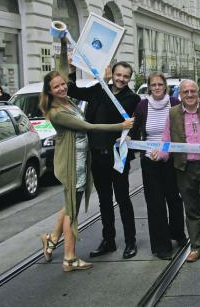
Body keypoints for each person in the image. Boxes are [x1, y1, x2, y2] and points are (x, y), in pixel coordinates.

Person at [38, 71, 133, 272]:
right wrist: (121, 125)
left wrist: (102, 78)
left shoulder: (68, 103)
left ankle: (53, 238)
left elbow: (95, 94)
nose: (62, 88)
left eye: (63, 84)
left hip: (82, 160)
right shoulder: (56, 111)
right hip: (72, 163)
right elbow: (88, 126)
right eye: (57, 86)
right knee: (72, 210)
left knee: (69, 205)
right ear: (49, 91)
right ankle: (69, 258)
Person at [67, 61, 141, 259]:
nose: (121, 79)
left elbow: (132, 122)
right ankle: (108, 240)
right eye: (118, 75)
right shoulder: (100, 89)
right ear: (112, 73)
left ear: (129, 78)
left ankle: (130, 241)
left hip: (118, 156)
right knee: (105, 201)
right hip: (97, 155)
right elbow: (72, 91)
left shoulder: (132, 98)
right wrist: (72, 70)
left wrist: (132, 134)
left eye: (126, 76)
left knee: (123, 199)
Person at [154, 79, 200, 263]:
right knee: (191, 210)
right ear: (180, 95)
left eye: (192, 91)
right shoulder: (172, 114)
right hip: (184, 168)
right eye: (185, 91)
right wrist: (159, 155)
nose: (189, 94)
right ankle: (196, 247)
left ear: (198, 93)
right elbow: (166, 141)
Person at [128, 72, 187, 260]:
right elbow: (135, 128)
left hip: (171, 160)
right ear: (149, 87)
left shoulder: (175, 103)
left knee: (175, 200)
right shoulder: (143, 105)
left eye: (160, 84)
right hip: (150, 161)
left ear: (166, 86)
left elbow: (182, 130)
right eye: (153, 85)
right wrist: (129, 137)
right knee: (155, 204)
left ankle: (177, 233)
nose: (156, 88)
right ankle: (161, 246)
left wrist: (168, 151)